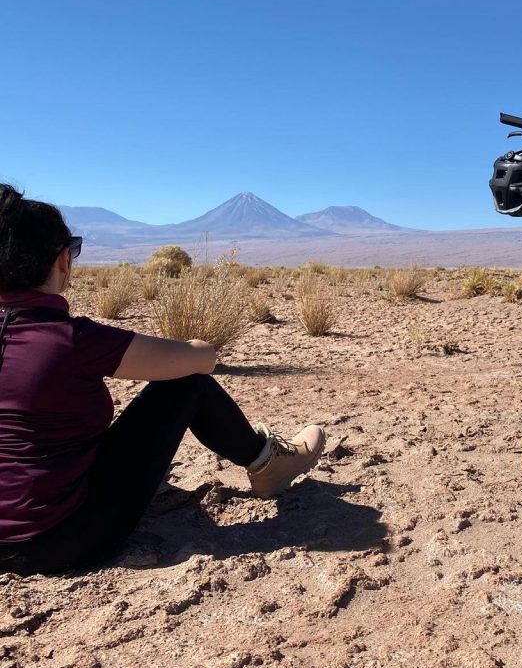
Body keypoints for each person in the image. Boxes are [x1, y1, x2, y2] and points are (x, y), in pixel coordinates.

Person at [0, 184, 325, 575]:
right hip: (56, 541)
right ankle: (268, 464)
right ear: (62, 262)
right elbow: (202, 360)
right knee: (186, 383)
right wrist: (196, 346)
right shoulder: (72, 340)